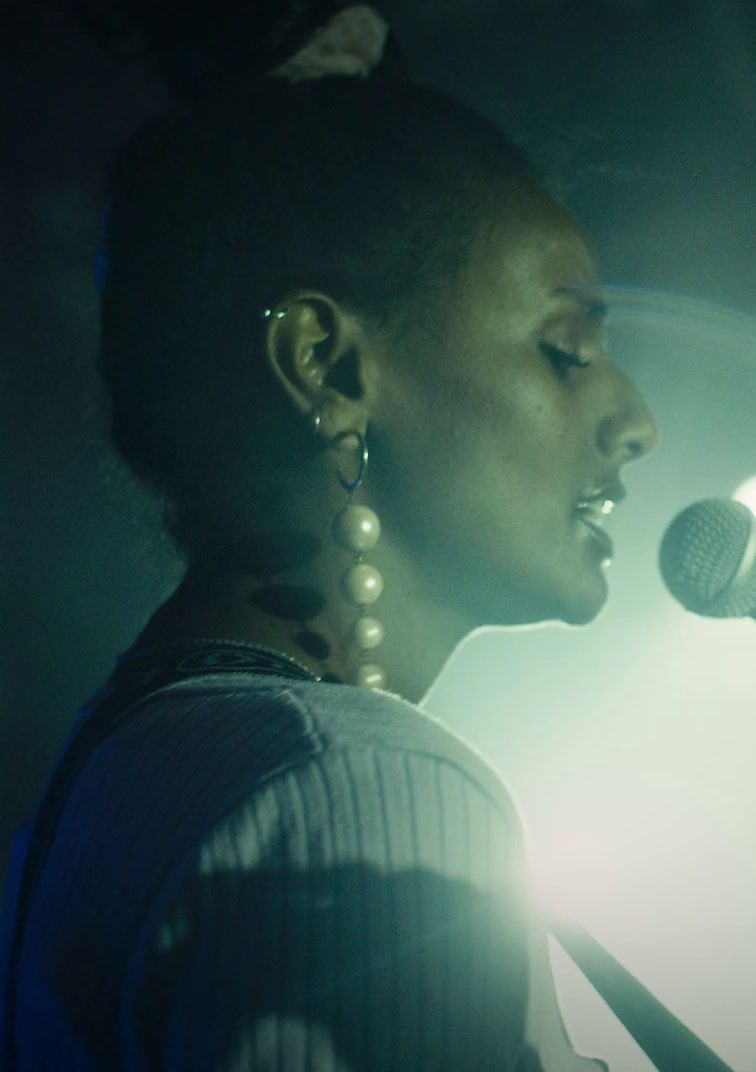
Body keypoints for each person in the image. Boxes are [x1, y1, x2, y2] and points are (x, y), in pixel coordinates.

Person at [0, 4, 658, 1068]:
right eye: (563, 348)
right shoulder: (355, 782)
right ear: (328, 365)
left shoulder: (136, 767)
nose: (637, 421)